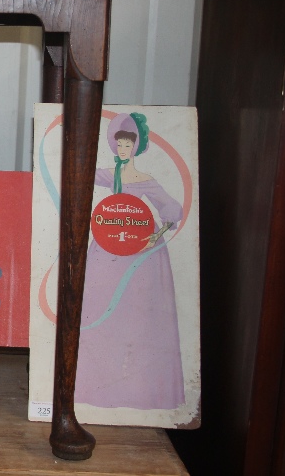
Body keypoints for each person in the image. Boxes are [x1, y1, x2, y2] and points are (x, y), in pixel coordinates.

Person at [73, 112, 185, 410]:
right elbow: (81, 172)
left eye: (128, 144)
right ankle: (95, 389)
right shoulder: (111, 175)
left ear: (137, 147)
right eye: (119, 144)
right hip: (110, 243)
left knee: (139, 316)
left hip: (141, 249)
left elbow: (172, 208)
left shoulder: (147, 180)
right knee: (100, 308)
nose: (123, 149)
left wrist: (156, 233)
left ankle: (140, 389)